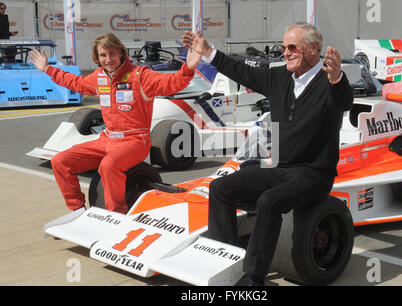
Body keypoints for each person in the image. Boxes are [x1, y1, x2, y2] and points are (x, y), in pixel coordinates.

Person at [181, 22, 353, 285]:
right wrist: (208, 51)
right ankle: (224, 261)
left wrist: (337, 79)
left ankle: (253, 278)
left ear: (313, 49)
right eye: (283, 48)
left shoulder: (328, 83)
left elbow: (344, 101)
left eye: (293, 47)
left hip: (314, 175)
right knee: (220, 189)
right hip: (282, 169)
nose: (286, 53)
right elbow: (241, 72)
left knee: (268, 202)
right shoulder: (279, 77)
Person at [30, 33, 201, 214]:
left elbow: (170, 83)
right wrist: (48, 69)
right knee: (60, 161)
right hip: (107, 139)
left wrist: (187, 69)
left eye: (112, 54)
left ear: (121, 53)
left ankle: (116, 215)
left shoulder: (140, 76)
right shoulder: (99, 77)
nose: (108, 59)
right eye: (103, 55)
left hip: (135, 141)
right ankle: (77, 212)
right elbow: (74, 82)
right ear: (97, 57)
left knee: (109, 165)